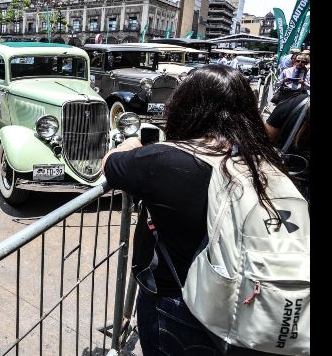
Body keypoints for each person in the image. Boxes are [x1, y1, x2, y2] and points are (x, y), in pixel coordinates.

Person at [101, 64, 290, 356]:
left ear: (186, 106)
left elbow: (110, 164)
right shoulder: (263, 160)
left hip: (180, 308)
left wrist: (131, 142)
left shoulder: (165, 160)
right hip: (254, 305)